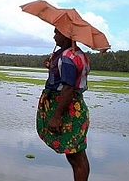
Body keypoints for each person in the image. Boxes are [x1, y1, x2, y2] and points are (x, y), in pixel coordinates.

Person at [36, 28, 90, 181]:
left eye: (57, 33)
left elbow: (68, 88)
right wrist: (52, 67)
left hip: (68, 109)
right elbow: (68, 78)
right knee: (78, 154)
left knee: (75, 156)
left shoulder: (67, 57)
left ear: (67, 36)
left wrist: (56, 116)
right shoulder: (75, 54)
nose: (54, 36)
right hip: (76, 106)